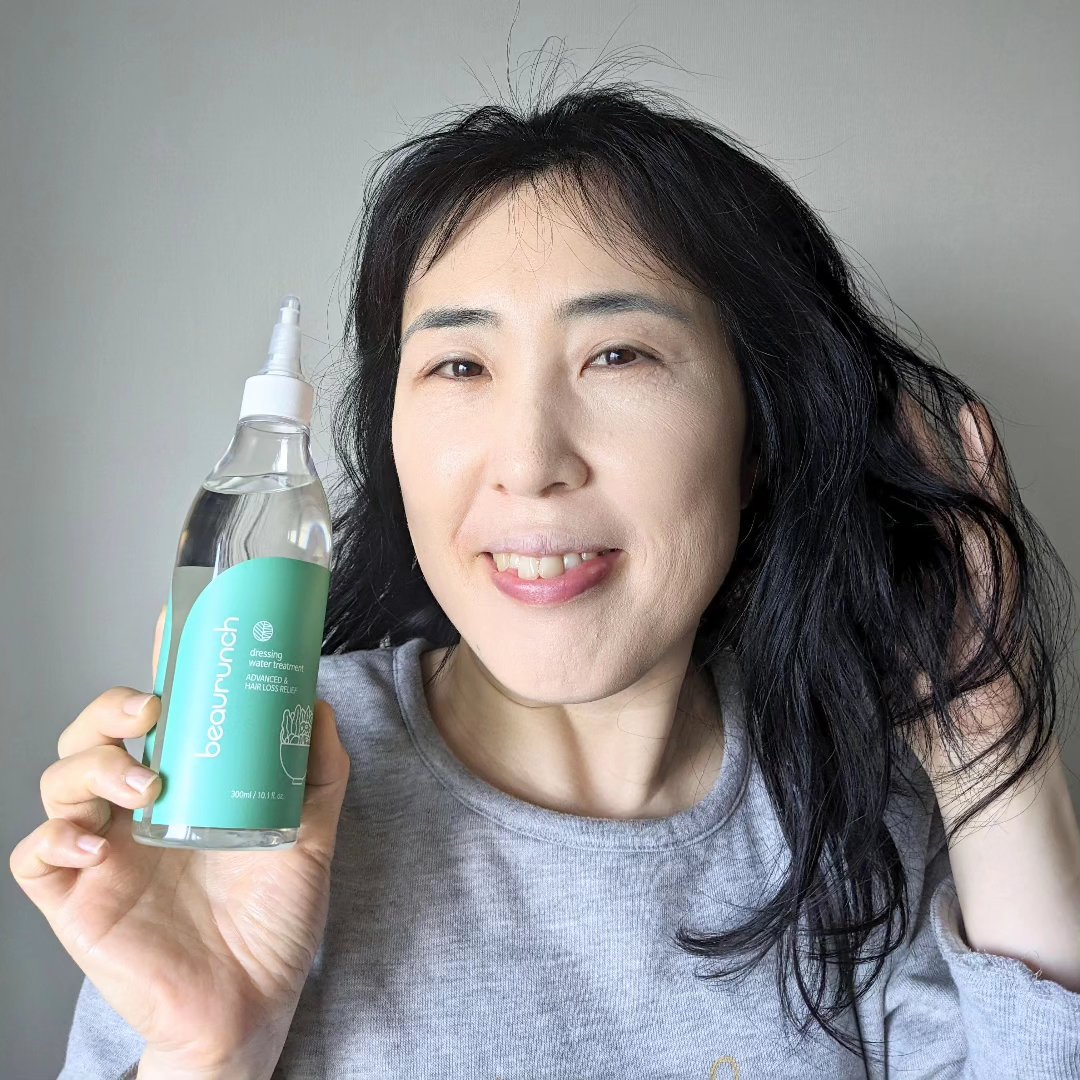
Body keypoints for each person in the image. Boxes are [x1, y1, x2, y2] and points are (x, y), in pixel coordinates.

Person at [11, 57, 1080, 1080]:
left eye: (617, 355)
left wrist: (998, 756)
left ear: (759, 435)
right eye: (459, 364)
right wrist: (208, 1055)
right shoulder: (248, 776)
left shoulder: (854, 809)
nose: (529, 462)